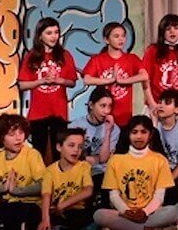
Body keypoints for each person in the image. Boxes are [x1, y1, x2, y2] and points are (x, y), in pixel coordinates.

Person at [94, 115, 178, 230]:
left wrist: (145, 212)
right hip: (123, 213)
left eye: (143, 132)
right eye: (134, 132)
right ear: (128, 134)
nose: (139, 136)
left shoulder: (160, 160)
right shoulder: (115, 160)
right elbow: (113, 195)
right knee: (99, 215)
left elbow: (159, 196)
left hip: (150, 213)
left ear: (150, 135)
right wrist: (126, 212)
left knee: (174, 211)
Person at [18, 17, 77, 159]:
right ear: (40, 35)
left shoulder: (65, 55)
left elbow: (72, 82)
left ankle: (58, 180)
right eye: (49, 33)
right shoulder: (31, 56)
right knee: (38, 152)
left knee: (59, 152)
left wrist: (59, 80)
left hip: (59, 111)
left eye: (56, 32)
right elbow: (22, 85)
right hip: (38, 113)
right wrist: (41, 81)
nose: (54, 36)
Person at [81, 21, 146, 129]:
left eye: (123, 36)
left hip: (124, 116)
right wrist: (110, 80)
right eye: (116, 36)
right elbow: (87, 80)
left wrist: (123, 81)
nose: (121, 39)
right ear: (106, 40)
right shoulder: (98, 59)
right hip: (103, 116)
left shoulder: (131, 59)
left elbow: (144, 76)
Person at [39, 129, 96, 230]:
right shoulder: (50, 171)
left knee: (92, 213)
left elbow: (88, 190)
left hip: (77, 210)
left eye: (80, 147)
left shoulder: (84, 167)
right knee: (41, 216)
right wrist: (45, 220)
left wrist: (64, 204)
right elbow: (46, 196)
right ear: (59, 147)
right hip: (57, 212)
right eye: (71, 145)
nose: (76, 150)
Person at [144, 13, 178, 106]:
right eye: (168, 29)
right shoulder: (153, 50)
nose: (172, 31)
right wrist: (152, 103)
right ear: (162, 32)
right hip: (157, 103)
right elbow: (145, 80)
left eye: (176, 28)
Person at [78, 86, 120, 180]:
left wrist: (108, 131)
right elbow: (74, 157)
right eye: (102, 106)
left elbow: (103, 159)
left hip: (103, 175)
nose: (107, 111)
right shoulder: (75, 126)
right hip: (79, 173)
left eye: (110, 106)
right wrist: (93, 159)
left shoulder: (114, 128)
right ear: (91, 105)